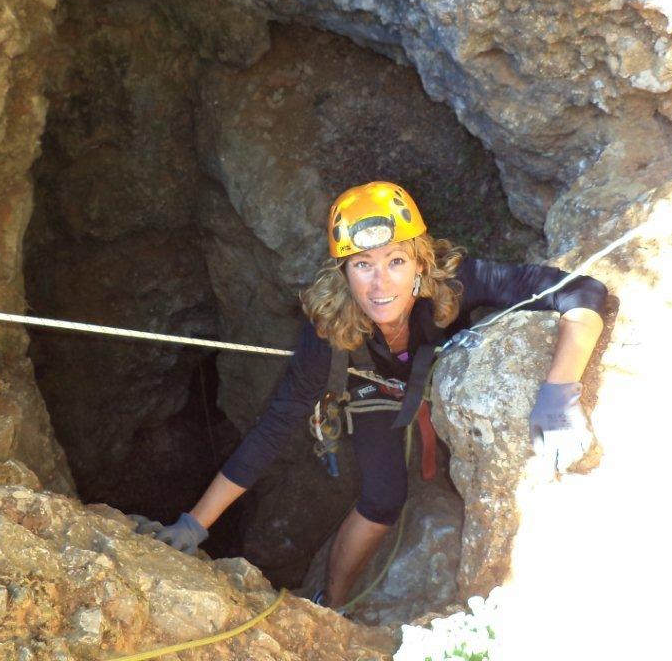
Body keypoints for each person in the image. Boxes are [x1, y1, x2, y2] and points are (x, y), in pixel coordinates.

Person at [131, 181, 607, 609]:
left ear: (421, 261)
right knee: (383, 498)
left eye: (395, 261)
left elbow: (581, 290)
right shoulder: (328, 327)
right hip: (372, 386)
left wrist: (559, 389)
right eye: (363, 265)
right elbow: (276, 425)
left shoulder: (455, 281)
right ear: (343, 273)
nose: (380, 285)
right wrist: (196, 524)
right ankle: (331, 601)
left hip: (438, 375)